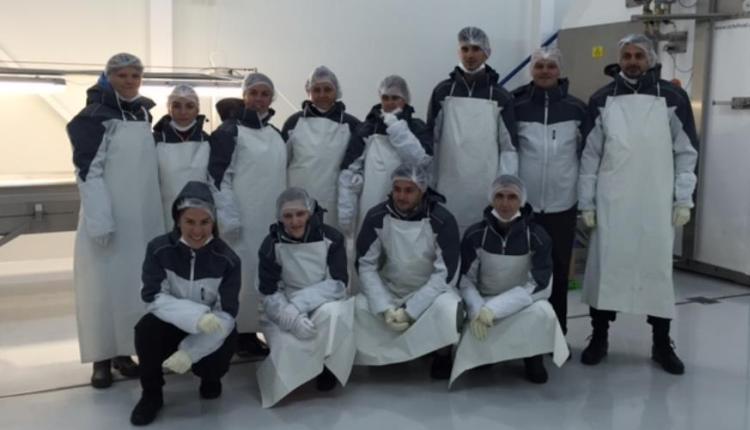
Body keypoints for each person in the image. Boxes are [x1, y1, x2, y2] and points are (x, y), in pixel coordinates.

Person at [578, 34, 699, 374]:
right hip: (611, 201)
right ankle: (599, 337)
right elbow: (589, 156)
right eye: (627, 55)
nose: (632, 61)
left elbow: (686, 151)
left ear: (650, 59)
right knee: (606, 269)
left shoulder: (672, 97)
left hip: (655, 201)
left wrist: (683, 198)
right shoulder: (602, 98)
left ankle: (661, 343)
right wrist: (587, 202)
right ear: (619, 59)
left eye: (638, 56)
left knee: (656, 271)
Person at [66, 52, 164, 388]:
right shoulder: (92, 117)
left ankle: (124, 352)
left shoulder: (142, 114)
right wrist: (100, 220)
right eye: (122, 75)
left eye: (135, 75)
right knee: (101, 290)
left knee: (131, 288)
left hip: (140, 219)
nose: (129, 81)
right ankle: (101, 359)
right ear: (108, 78)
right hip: (107, 219)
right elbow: (88, 172)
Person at [130, 181, 240, 426]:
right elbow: (152, 296)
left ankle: (210, 377)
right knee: (146, 329)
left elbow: (227, 315)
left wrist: (190, 352)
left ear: (214, 222)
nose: (197, 230)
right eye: (190, 221)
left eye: (205, 222)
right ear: (178, 220)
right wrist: (196, 316)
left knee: (228, 335)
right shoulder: (159, 250)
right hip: (171, 323)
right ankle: (151, 394)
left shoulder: (228, 260)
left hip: (209, 328)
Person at [450, 175, 569, 386]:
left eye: (512, 197)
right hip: (485, 299)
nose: (505, 203)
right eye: (499, 196)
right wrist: (478, 309)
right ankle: (485, 356)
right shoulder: (475, 234)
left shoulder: (537, 236)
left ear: (522, 201)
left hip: (522, 302)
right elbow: (466, 280)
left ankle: (533, 356)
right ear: (491, 199)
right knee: (480, 362)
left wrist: (495, 309)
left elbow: (540, 284)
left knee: (543, 311)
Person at [354, 163, 461, 380]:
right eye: (397, 189)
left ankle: (441, 354)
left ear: (422, 190)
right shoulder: (377, 216)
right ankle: (381, 354)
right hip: (391, 288)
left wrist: (412, 309)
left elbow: (445, 273)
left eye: (409, 190)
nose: (401, 196)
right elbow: (365, 265)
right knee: (357, 306)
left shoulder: (442, 220)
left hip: (430, 290)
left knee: (448, 308)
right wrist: (384, 306)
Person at [512, 47, 591, 334]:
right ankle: (522, 333)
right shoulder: (516, 106)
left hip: (562, 205)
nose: (545, 71)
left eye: (551, 66)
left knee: (558, 270)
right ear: (531, 70)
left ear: (559, 70)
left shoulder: (577, 108)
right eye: (539, 66)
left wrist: (585, 198)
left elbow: (588, 155)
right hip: (525, 206)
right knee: (522, 271)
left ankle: (557, 334)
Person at [209, 72, 287, 357]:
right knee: (239, 278)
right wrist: (228, 217)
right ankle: (236, 335)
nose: (258, 99)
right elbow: (218, 178)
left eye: (264, 94)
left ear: (271, 99)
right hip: (241, 220)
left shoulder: (275, 134)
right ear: (244, 96)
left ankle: (253, 331)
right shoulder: (229, 132)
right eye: (253, 93)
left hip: (270, 219)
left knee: (263, 276)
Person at [256, 188, 354, 407]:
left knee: (335, 314)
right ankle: (295, 378)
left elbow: (338, 284)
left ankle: (327, 367)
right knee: (285, 343)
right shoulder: (271, 244)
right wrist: (291, 318)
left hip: (323, 300)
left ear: (310, 212)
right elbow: (269, 291)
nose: (295, 221)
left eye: (300, 214)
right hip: (285, 303)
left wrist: (298, 305)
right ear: (280, 217)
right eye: (288, 216)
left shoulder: (332, 238)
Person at [427, 26, 518, 233]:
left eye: (476, 49)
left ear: (487, 53)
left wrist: (504, 188)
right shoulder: (442, 91)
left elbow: (509, 148)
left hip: (485, 185)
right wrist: (430, 184)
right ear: (458, 51)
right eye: (465, 48)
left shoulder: (501, 96)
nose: (470, 55)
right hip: (447, 184)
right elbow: (432, 141)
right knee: (447, 237)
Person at [338, 75, 432, 234]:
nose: (390, 102)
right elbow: (349, 170)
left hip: (407, 203)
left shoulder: (417, 127)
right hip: (371, 200)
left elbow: (421, 161)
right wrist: (346, 212)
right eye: (385, 98)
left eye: (395, 98)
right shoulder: (367, 128)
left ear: (405, 100)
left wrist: (396, 128)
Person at [282, 66, 361, 229]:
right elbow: (281, 161)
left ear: (336, 91)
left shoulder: (351, 124)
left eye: (327, 89)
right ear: (309, 92)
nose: (322, 94)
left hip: (335, 199)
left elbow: (358, 162)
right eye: (316, 90)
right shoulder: (294, 122)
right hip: (298, 197)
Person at [153, 84, 210, 230]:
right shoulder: (155, 140)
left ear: (197, 110)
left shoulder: (209, 141)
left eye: (189, 106)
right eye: (177, 106)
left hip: (201, 214)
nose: (183, 112)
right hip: (163, 213)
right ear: (169, 109)